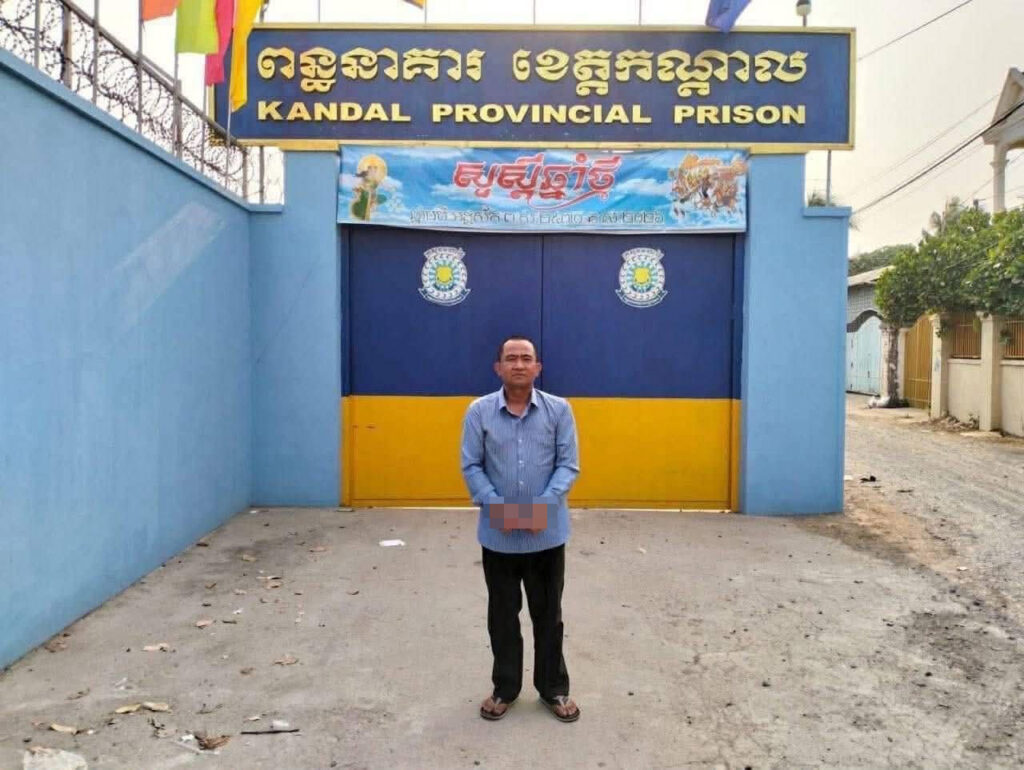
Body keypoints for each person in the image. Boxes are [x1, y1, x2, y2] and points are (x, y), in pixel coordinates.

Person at [460, 336, 581, 723]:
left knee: (549, 615)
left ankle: (553, 687)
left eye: (526, 358)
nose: (518, 364)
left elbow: (568, 464)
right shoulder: (479, 412)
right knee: (502, 616)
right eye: (510, 358)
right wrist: (499, 508)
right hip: (499, 535)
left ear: (537, 367)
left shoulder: (559, 410)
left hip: (547, 534)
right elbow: (471, 465)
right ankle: (505, 687)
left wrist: (541, 508)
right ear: (498, 367)